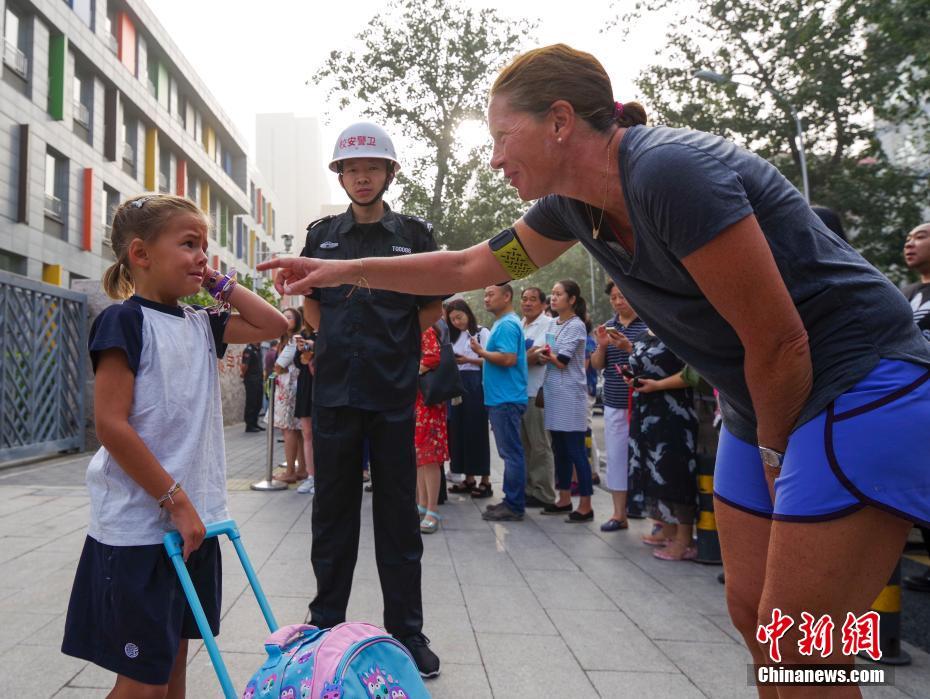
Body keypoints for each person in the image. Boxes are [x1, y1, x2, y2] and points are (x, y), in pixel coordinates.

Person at [260, 44, 930, 684]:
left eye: (501, 138)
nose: (494, 160)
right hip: (761, 399)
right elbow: (471, 265)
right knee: (755, 616)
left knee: (802, 647)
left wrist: (780, 458)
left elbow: (782, 342)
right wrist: (337, 266)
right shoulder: (568, 214)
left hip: (851, 383)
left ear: (558, 121)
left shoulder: (669, 173)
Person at [61, 194, 286, 698]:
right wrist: (174, 499)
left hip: (196, 524)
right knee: (143, 684)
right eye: (188, 244)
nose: (202, 256)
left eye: (204, 247)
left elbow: (277, 325)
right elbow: (111, 425)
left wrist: (216, 282)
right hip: (143, 529)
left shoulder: (202, 322)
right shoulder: (124, 321)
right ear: (140, 254)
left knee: (173, 670)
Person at [297, 122, 443, 678]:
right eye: (352, 169)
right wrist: (329, 341)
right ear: (340, 174)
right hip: (333, 392)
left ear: (389, 173)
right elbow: (311, 302)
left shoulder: (414, 235)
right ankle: (324, 622)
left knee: (397, 516)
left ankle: (407, 631)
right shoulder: (321, 236)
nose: (362, 177)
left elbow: (429, 305)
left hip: (392, 393)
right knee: (330, 512)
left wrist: (396, 344)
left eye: (372, 168)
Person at [626, 330, 700, 560]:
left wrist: (658, 385)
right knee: (652, 469)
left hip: (673, 411)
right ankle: (667, 529)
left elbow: (694, 373)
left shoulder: (678, 328)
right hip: (645, 409)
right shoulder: (644, 333)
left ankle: (684, 539)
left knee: (673, 470)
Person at [590, 280, 646, 531]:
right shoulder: (608, 327)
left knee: (645, 456)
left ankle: (651, 512)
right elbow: (597, 365)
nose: (618, 301)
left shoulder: (649, 325)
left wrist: (629, 348)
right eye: (613, 298)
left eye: (622, 296)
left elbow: (658, 359)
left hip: (644, 399)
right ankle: (618, 513)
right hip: (614, 398)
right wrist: (602, 346)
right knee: (616, 457)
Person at [471, 284, 529, 522]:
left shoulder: (506, 324)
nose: (486, 299)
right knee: (509, 452)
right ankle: (510, 500)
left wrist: (480, 351)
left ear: (507, 296)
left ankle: (514, 505)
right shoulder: (503, 322)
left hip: (506, 398)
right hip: (501, 397)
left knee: (511, 452)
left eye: (490, 294)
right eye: (484, 294)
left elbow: (507, 358)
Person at [538, 280, 594, 522]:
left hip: (570, 394)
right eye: (552, 293)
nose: (553, 298)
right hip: (553, 392)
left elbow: (561, 360)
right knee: (558, 448)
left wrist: (542, 354)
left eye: (559, 294)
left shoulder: (576, 326)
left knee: (575, 450)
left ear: (572, 299)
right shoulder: (553, 323)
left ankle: (586, 504)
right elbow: (548, 354)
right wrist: (543, 354)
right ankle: (563, 498)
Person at [901, 222, 930, 592]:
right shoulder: (904, 292)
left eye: (920, 235)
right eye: (908, 237)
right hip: (906, 404)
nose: (910, 242)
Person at [444, 299, 492, 497]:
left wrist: (468, 359)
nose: (457, 322)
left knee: (477, 430)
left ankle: (485, 480)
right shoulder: (452, 336)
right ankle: (468, 477)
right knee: (458, 432)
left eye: (459, 317)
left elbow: (489, 359)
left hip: (475, 384)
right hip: (456, 385)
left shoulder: (482, 332)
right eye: (452, 319)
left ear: (468, 314)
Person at [519, 286, 557, 508]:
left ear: (544, 304)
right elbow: (529, 356)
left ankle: (544, 493)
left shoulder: (549, 325)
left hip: (539, 392)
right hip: (519, 393)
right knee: (524, 445)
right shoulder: (519, 325)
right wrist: (526, 357)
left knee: (540, 445)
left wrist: (513, 360)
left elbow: (543, 356)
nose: (527, 303)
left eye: (533, 299)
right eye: (524, 299)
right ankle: (528, 489)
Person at [415, 325, 449, 533]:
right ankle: (422, 504)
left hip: (428, 402)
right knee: (419, 456)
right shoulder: (415, 329)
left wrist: (407, 373)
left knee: (428, 456)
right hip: (417, 401)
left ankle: (432, 509)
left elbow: (432, 358)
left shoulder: (425, 330)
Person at [273, 308, 307, 483]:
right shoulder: (288, 339)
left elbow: (278, 366)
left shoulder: (294, 339)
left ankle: (290, 472)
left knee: (288, 430)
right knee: (297, 431)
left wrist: (279, 367)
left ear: (297, 320)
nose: (285, 319)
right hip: (292, 388)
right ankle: (301, 469)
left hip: (289, 389)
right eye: (283, 316)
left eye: (289, 317)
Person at [294, 324, 317, 495]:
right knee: (307, 433)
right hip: (305, 388)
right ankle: (311, 476)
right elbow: (297, 362)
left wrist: (316, 346)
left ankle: (324, 476)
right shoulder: (303, 335)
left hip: (326, 387)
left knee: (325, 433)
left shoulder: (332, 326)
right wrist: (301, 348)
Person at [241, 342, 265, 432]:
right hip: (251, 380)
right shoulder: (249, 350)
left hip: (259, 380)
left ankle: (255, 423)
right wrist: (243, 375)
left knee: (258, 403)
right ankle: (249, 425)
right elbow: (244, 365)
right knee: (251, 402)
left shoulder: (259, 350)